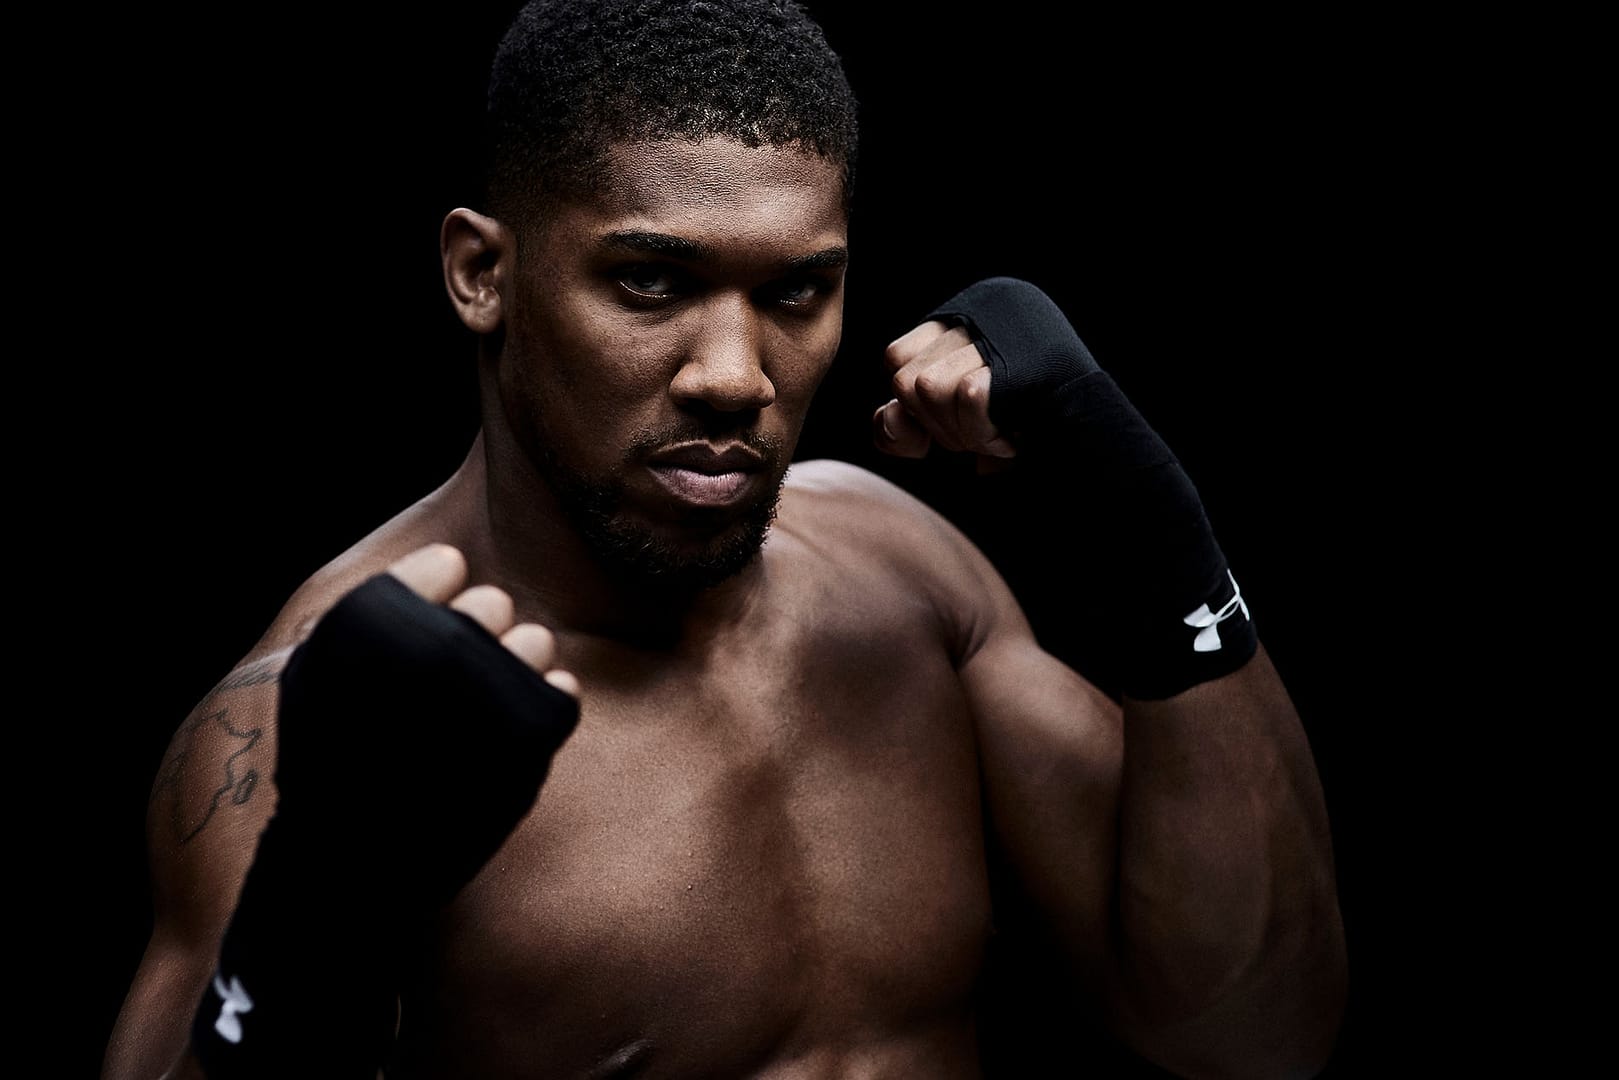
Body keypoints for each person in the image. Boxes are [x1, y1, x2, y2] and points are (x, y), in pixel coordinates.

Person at [104, 1, 1347, 1076]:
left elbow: (1250, 1039)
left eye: (794, 292)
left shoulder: (899, 582)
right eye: (648, 282)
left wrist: (1160, 540)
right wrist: (320, 912)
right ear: (481, 272)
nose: (733, 375)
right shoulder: (306, 723)